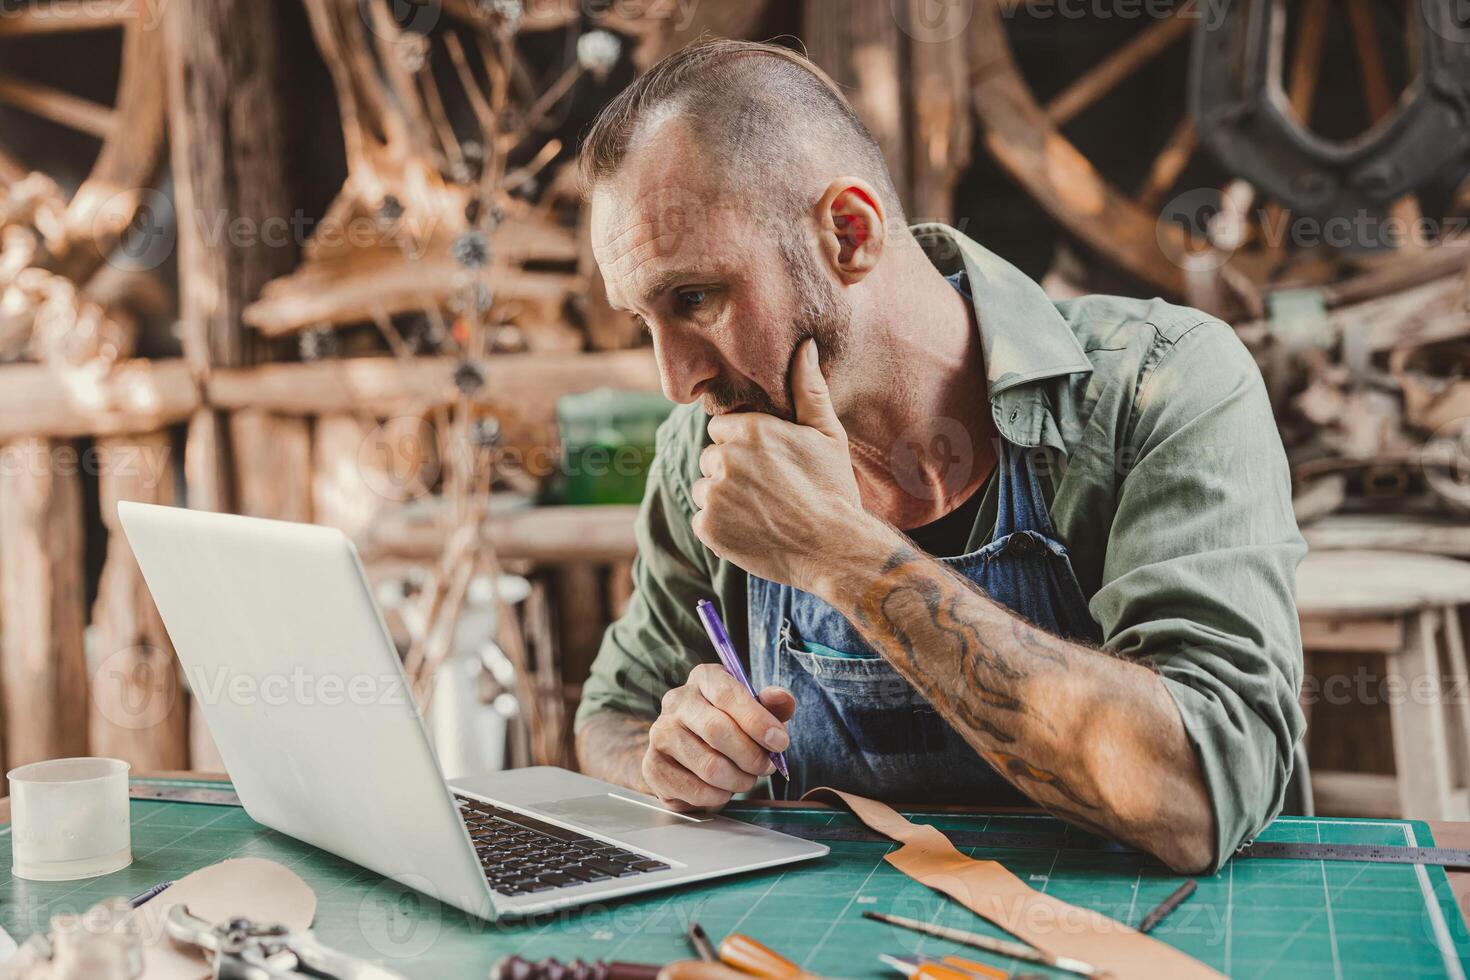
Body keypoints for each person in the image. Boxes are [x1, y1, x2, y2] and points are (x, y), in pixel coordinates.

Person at [572, 39, 1305, 874]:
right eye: (645, 320)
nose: (676, 380)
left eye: (695, 298)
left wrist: (838, 554)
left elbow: (1202, 795)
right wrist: (671, 760)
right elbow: (611, 716)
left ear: (848, 234)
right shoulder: (707, 449)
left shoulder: (1160, 385)